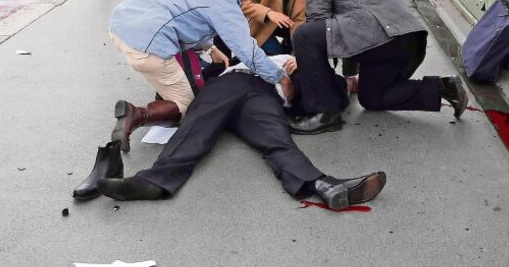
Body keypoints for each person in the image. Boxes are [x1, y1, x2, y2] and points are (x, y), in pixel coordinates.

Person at [96, 66, 386, 210]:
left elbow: (337, 83)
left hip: (264, 94)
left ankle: (322, 184)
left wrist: (301, 72)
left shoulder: (293, 60)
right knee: (197, 128)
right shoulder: (233, 50)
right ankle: (154, 181)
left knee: (277, 140)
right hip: (229, 82)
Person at [107, 0, 293, 152]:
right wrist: (281, 78)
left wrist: (210, 47)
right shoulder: (223, 0)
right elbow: (247, 50)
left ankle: (163, 97)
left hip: (122, 23)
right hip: (147, 42)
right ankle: (136, 114)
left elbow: (188, 13)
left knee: (174, 81)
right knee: (186, 106)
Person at [288, 0, 469, 134]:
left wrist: (304, 58)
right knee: (372, 98)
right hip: (406, 40)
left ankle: (324, 113)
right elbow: (347, 33)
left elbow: (317, 21)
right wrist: (350, 75)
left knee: (304, 35)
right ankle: (444, 87)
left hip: (384, 34)